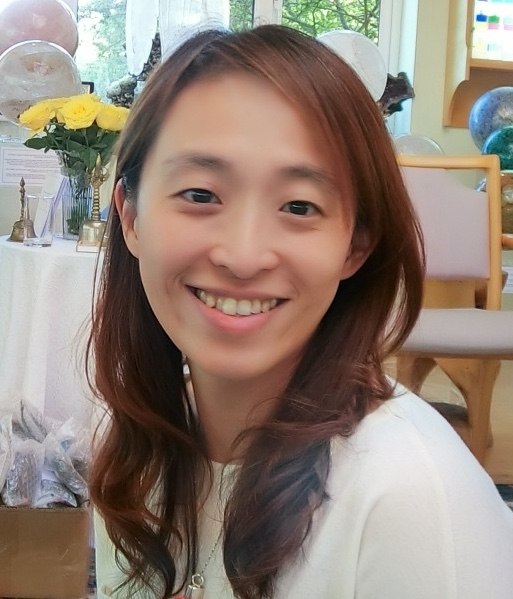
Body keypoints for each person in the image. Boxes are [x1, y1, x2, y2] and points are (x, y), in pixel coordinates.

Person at [88, 25, 513, 599]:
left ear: (356, 244)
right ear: (130, 217)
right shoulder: (135, 449)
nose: (243, 256)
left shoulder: (407, 495)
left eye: (299, 206)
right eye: (200, 195)